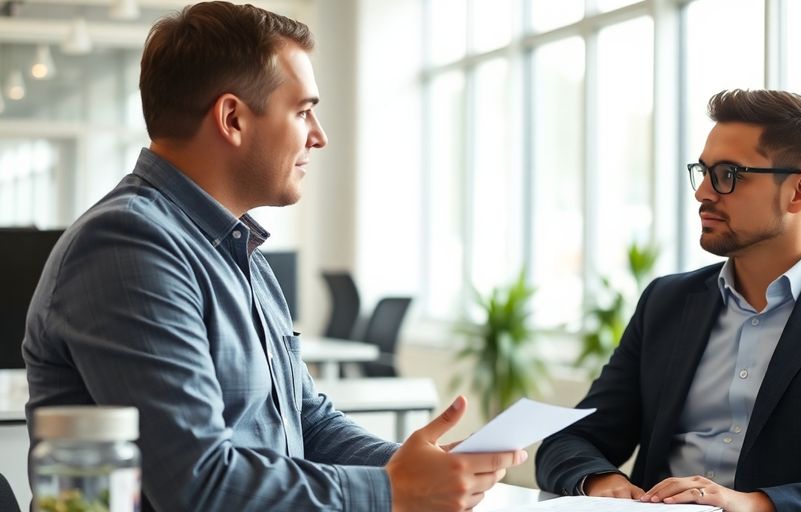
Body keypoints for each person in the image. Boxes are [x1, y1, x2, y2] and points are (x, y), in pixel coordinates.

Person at [22, 3, 524, 511]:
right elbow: (198, 485)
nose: (319, 135)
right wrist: (394, 490)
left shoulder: (239, 251)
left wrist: (421, 470)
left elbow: (307, 421)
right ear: (233, 118)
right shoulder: (129, 245)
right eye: (303, 111)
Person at [535, 89, 801, 512]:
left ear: (800, 191)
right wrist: (603, 481)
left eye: (728, 174)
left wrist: (755, 505)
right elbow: (569, 440)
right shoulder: (668, 302)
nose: (703, 194)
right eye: (704, 172)